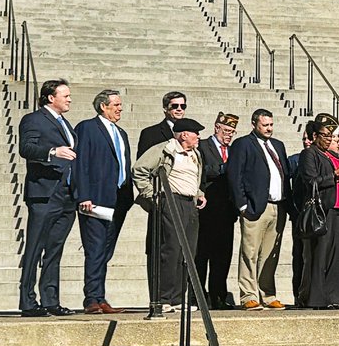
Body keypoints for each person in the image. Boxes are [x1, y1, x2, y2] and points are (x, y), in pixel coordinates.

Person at [17, 79, 79, 317]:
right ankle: (28, 302)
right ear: (51, 97)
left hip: (66, 193)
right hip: (44, 193)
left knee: (55, 248)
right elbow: (26, 148)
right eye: (65, 96)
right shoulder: (33, 119)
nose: (70, 99)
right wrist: (52, 152)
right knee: (35, 248)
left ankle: (51, 299)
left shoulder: (65, 123)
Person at [132, 118, 207, 312]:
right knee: (171, 249)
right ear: (184, 135)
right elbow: (139, 170)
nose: (198, 137)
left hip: (189, 204)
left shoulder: (195, 154)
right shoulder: (165, 149)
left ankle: (177, 299)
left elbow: (191, 178)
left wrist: (199, 194)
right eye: (195, 133)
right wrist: (153, 196)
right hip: (170, 201)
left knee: (187, 252)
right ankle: (163, 298)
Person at [73, 89, 132, 314]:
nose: (120, 108)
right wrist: (84, 195)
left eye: (120, 104)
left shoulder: (121, 133)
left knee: (106, 251)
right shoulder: (87, 128)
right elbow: (81, 164)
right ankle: (91, 299)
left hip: (118, 200)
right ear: (103, 106)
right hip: (95, 199)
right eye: (116, 104)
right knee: (95, 248)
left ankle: (101, 296)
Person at [227, 108, 290, 310]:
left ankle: (268, 294)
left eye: (271, 124)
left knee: (270, 253)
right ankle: (248, 295)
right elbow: (235, 175)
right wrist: (243, 204)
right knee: (250, 252)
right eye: (265, 125)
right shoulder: (243, 144)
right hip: (255, 207)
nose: (269, 128)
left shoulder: (278, 145)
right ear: (254, 124)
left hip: (277, 206)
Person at [298, 116, 339, 309]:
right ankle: (316, 298)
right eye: (324, 136)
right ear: (315, 136)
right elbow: (310, 181)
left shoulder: (332, 157)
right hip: (323, 209)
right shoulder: (310, 154)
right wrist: (335, 175)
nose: (328, 139)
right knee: (320, 255)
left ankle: (336, 297)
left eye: (331, 136)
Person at [196, 112, 239, 309]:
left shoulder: (232, 150)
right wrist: (223, 169)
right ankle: (198, 294)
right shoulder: (203, 146)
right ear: (217, 128)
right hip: (206, 209)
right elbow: (201, 170)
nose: (229, 135)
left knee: (222, 256)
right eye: (226, 131)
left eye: (232, 132)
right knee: (202, 255)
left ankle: (219, 295)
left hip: (227, 211)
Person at [285, 121, 315, 307]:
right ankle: (299, 294)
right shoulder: (295, 160)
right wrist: (291, 208)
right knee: (300, 255)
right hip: (300, 215)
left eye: (309, 138)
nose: (306, 142)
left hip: (318, 214)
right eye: (304, 138)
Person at [137, 91, 188, 157]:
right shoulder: (149, 133)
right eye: (175, 106)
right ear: (165, 108)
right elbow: (142, 162)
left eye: (183, 106)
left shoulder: (191, 132)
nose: (179, 109)